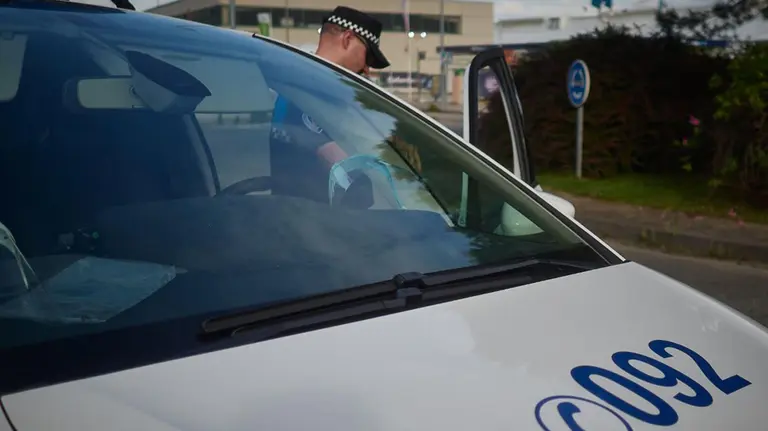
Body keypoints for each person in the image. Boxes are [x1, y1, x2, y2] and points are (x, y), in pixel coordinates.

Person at [269, 6, 390, 205]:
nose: (366, 70)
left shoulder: (296, 81)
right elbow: (341, 166)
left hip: (292, 214)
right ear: (347, 39)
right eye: (367, 57)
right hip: (309, 223)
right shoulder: (314, 88)